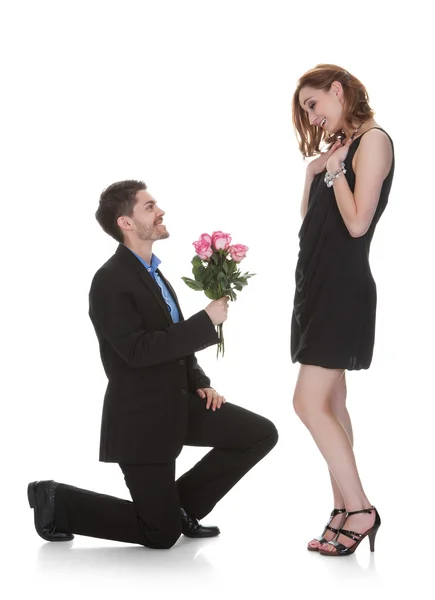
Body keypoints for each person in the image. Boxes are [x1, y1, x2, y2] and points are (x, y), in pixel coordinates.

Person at [28, 179, 278, 549]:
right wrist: (205, 322)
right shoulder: (110, 280)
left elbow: (176, 343)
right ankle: (56, 500)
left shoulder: (156, 275)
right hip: (140, 420)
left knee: (259, 434)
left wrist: (199, 381)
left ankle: (180, 508)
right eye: (149, 206)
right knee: (160, 535)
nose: (160, 211)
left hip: (178, 402)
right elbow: (138, 351)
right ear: (126, 223)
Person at [290, 64, 394, 556]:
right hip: (317, 286)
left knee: (306, 402)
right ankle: (340, 508)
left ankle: (360, 508)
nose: (313, 118)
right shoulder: (339, 151)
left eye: (314, 105)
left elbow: (356, 224)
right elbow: (312, 225)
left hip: (343, 290)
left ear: (338, 90)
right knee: (330, 404)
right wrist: (315, 171)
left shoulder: (373, 140)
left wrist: (333, 170)